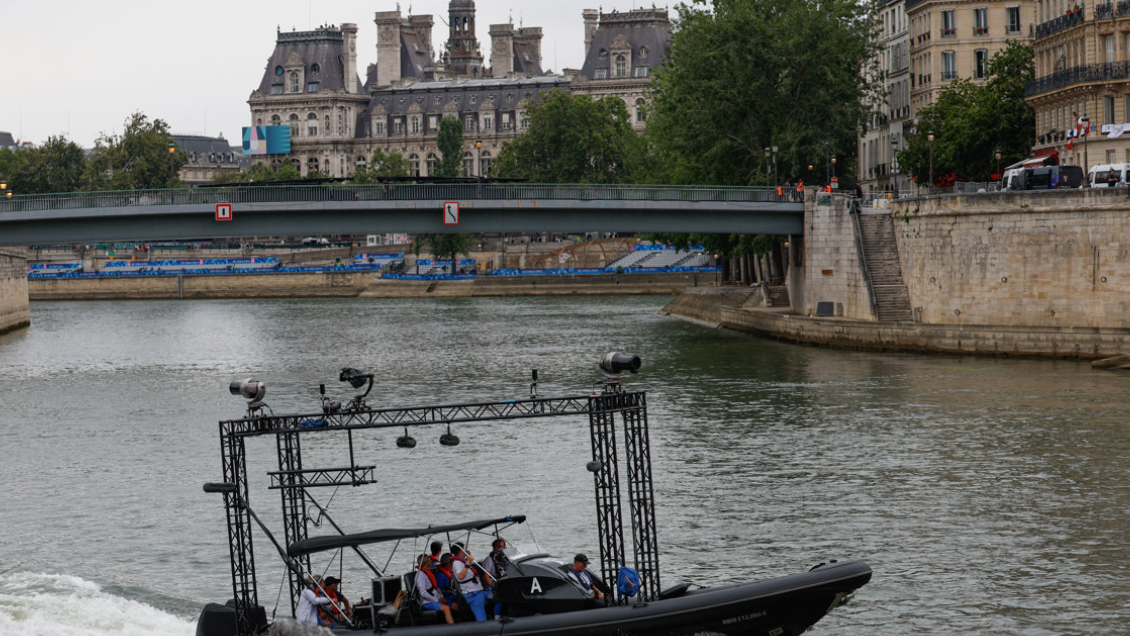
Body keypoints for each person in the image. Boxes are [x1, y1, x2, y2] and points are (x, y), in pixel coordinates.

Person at [450, 543, 491, 621]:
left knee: (497, 596)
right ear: (460, 551)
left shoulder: (462, 561)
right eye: (463, 549)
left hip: (479, 590)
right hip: (473, 593)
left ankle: (497, 616)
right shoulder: (457, 563)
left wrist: (467, 559)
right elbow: (460, 576)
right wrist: (467, 562)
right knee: (481, 617)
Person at [415, 555, 455, 624]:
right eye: (429, 560)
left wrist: (441, 597)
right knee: (446, 609)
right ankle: (453, 628)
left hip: (437, 597)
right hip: (427, 602)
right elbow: (423, 593)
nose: (430, 561)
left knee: (455, 605)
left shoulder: (428, 572)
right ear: (427, 562)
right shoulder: (420, 575)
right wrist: (436, 600)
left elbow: (436, 588)